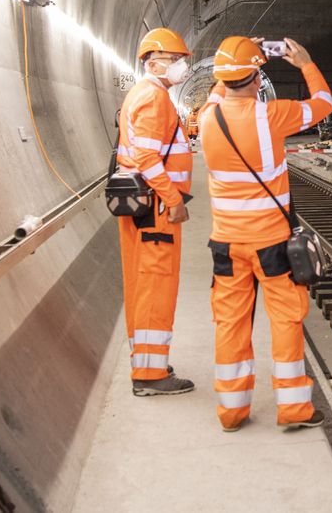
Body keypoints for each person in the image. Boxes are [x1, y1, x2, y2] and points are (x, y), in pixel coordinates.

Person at [198, 36, 332, 432]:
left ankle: (232, 411)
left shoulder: (207, 116)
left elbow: (221, 88)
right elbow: (324, 104)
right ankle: (294, 409)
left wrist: (236, 58)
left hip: (226, 243)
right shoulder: (271, 116)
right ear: (256, 77)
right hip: (271, 243)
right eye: (257, 74)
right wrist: (306, 63)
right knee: (285, 320)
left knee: (230, 323)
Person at [116, 27, 195, 396]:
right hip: (157, 207)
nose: (182, 66)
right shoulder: (153, 98)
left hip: (142, 204)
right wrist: (174, 200)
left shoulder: (144, 94)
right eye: (176, 59)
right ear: (153, 60)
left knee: (141, 284)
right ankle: (150, 376)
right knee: (155, 285)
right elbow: (148, 156)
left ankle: (148, 362)